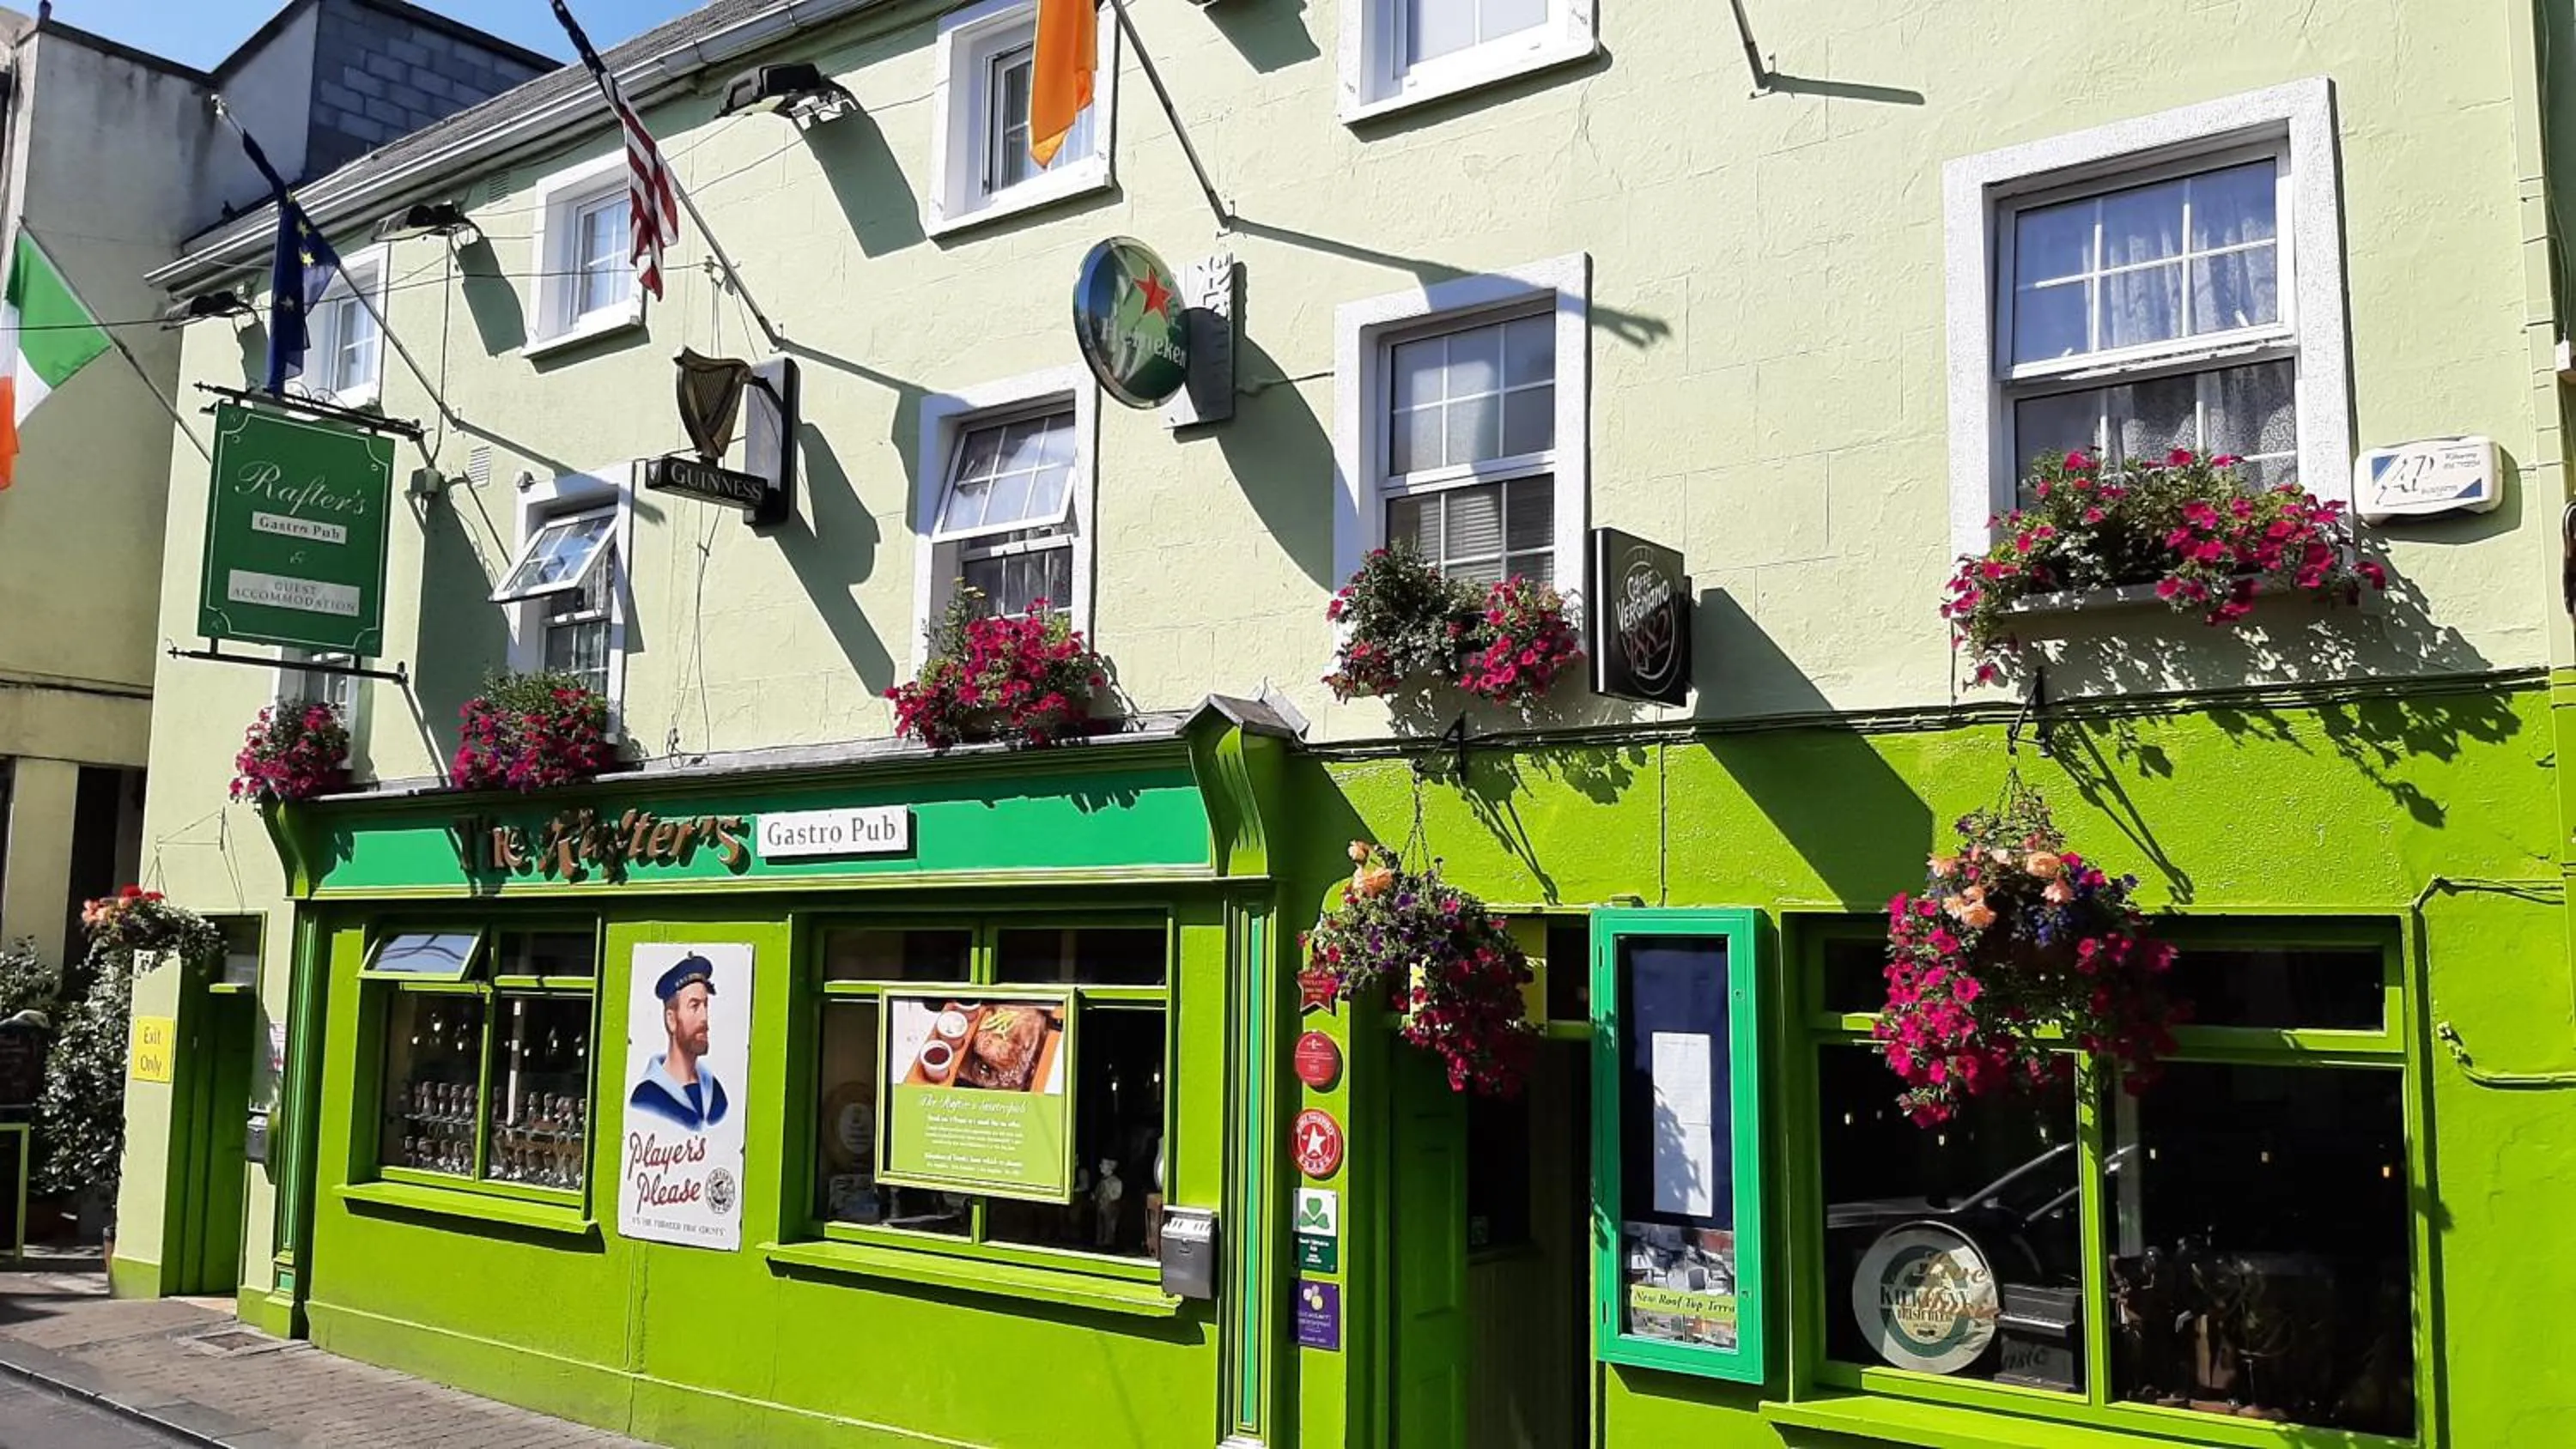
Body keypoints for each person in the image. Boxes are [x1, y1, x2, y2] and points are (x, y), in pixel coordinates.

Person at [629, 954, 727, 1130]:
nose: (704, 1018)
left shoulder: (716, 1095)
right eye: (694, 1006)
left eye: (706, 1006)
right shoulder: (647, 1098)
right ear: (671, 1020)